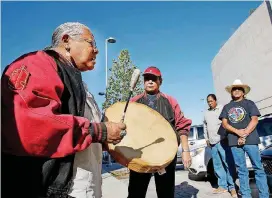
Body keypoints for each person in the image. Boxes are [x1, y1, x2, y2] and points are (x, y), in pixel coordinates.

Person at [1, 22, 126, 198]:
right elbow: (30, 126)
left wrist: (105, 141)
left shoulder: (81, 85)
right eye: (92, 43)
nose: (96, 50)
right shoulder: (37, 63)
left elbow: (79, 135)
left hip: (84, 188)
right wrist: (99, 131)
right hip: (52, 189)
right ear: (66, 40)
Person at [127, 66, 192, 198]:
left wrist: (186, 151)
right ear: (143, 81)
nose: (150, 81)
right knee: (135, 192)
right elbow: (127, 127)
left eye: (153, 79)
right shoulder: (134, 102)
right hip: (140, 155)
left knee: (166, 193)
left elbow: (182, 126)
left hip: (166, 156)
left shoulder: (170, 101)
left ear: (160, 81)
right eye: (147, 79)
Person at [219, 79, 269, 198]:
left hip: (251, 139)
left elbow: (255, 120)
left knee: (258, 167)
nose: (236, 91)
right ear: (231, 92)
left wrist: (244, 134)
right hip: (234, 140)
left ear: (243, 92)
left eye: (238, 89)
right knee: (241, 170)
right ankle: (246, 195)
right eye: (234, 89)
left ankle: (264, 195)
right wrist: (237, 132)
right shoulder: (227, 107)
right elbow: (225, 124)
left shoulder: (249, 103)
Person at [68, 82, 103, 198]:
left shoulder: (86, 90)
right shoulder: (60, 80)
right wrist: (100, 131)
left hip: (92, 180)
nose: (96, 62)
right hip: (74, 186)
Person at [203, 94, 237, 197]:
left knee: (228, 163)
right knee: (217, 165)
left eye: (211, 101)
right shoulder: (206, 113)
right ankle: (222, 186)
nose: (210, 103)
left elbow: (228, 121)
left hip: (222, 140)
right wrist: (207, 139)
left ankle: (232, 187)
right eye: (208, 101)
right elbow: (205, 126)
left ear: (215, 100)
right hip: (212, 142)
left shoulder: (222, 108)